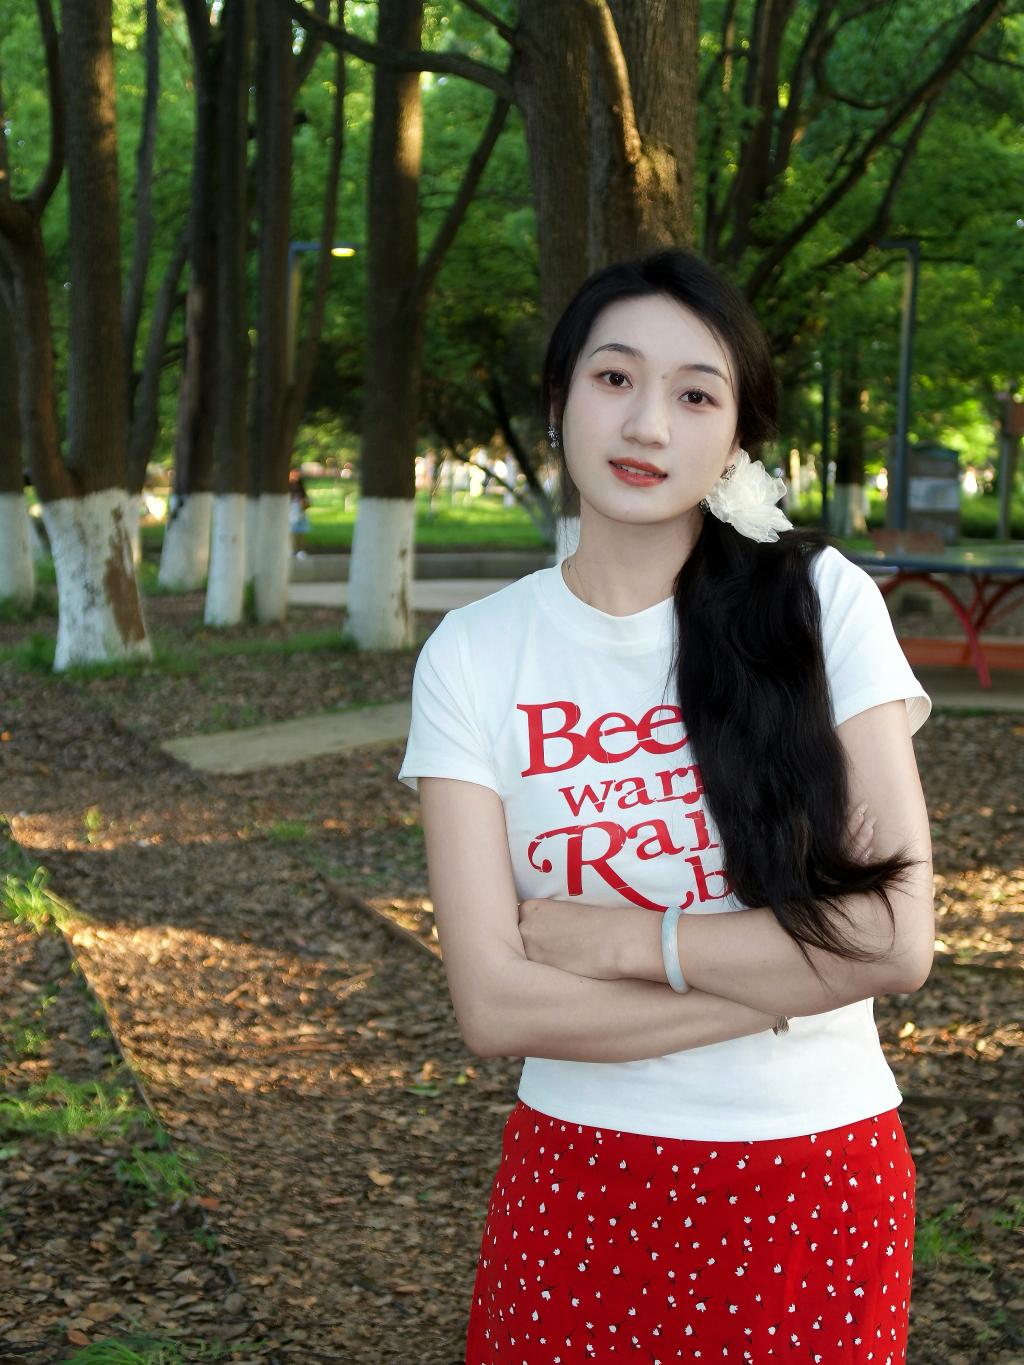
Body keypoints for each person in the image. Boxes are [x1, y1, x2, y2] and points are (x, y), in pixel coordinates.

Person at [397, 248, 933, 1364]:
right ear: (559, 401)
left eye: (695, 395)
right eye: (614, 379)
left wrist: (629, 944)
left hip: (813, 1174)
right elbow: (495, 1007)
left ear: (734, 437)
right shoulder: (475, 652)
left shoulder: (819, 605)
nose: (647, 425)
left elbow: (895, 939)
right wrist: (793, 981)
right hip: (580, 1177)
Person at [289, 467, 311, 556]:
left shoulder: (301, 488)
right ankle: (292, 549)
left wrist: (304, 504)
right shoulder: (287, 488)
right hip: (291, 513)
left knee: (301, 533)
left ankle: (301, 550)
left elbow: (306, 502)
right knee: (291, 532)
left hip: (300, 513)